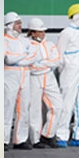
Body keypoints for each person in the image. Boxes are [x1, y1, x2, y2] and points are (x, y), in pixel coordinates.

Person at [54, 5, 79, 146]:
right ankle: (61, 135)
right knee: (67, 103)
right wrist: (66, 69)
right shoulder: (66, 33)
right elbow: (59, 54)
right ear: (76, 17)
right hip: (71, 72)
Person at [23, 18, 63, 148]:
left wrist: (42, 64)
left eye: (43, 31)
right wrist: (47, 64)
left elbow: (57, 61)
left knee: (57, 106)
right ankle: (35, 139)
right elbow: (30, 65)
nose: (43, 33)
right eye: (39, 31)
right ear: (32, 32)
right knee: (35, 109)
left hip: (49, 78)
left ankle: (48, 134)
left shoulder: (50, 44)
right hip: (34, 79)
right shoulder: (26, 45)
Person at [3, 12, 40, 150]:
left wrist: (19, 59)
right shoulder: (4, 40)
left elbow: (34, 56)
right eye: (17, 23)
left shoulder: (24, 40)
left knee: (24, 108)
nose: (20, 25)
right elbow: (8, 59)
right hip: (9, 76)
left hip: (25, 75)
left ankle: (20, 139)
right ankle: (3, 140)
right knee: (7, 108)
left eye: (20, 22)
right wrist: (24, 57)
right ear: (9, 25)